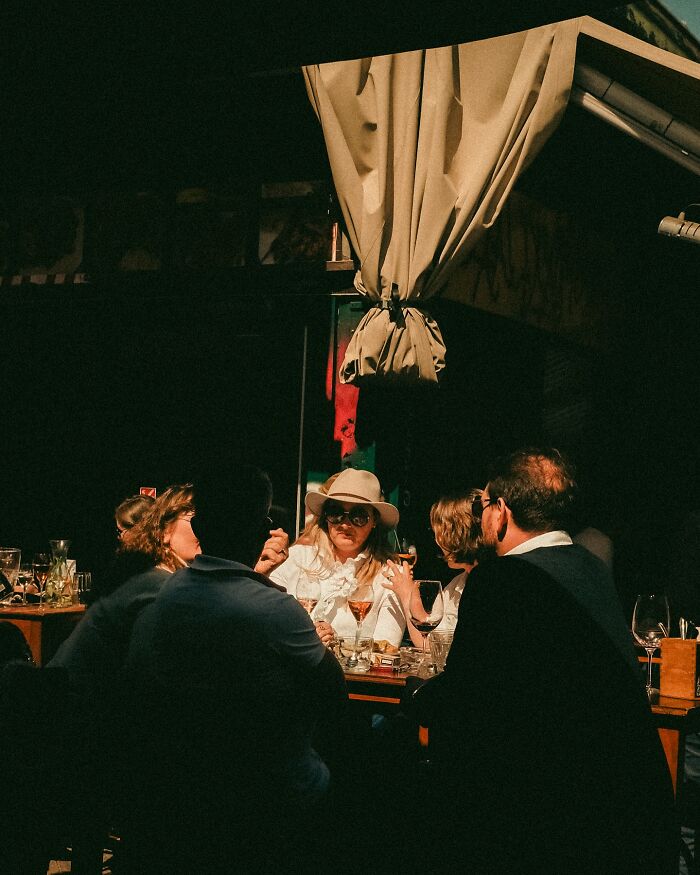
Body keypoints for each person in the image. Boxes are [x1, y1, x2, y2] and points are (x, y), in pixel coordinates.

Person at [414, 446, 678, 873]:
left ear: (501, 511)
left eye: (482, 505)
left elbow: (465, 702)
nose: (480, 517)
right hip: (627, 815)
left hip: (556, 826)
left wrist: (419, 697)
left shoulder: (501, 579)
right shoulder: (588, 566)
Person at [121, 464, 347, 873]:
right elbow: (335, 695)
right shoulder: (278, 611)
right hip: (271, 798)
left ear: (202, 526)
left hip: (182, 796)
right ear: (261, 528)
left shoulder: (162, 599)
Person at [270, 467, 405, 649]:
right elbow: (268, 622)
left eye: (358, 516)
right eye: (336, 513)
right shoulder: (295, 558)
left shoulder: (390, 574)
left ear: (374, 521)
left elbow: (387, 646)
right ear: (326, 518)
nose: (345, 524)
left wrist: (338, 643)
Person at [384, 488, 482, 648]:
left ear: (458, 532)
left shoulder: (490, 582)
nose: (437, 540)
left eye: (440, 532)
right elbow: (428, 643)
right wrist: (407, 594)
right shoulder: (457, 584)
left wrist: (408, 594)